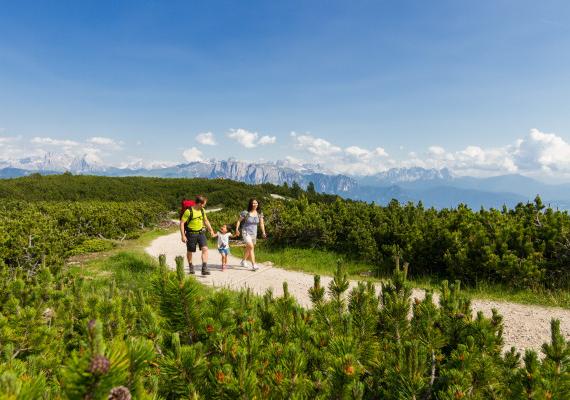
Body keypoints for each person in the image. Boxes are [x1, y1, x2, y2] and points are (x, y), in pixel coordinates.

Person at [180, 195, 215, 275]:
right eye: (204, 204)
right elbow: (182, 223)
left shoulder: (202, 210)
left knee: (205, 248)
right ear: (199, 203)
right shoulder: (188, 211)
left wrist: (211, 230)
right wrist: (183, 235)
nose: (204, 205)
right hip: (191, 234)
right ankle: (191, 266)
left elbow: (206, 221)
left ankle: (204, 268)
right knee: (190, 251)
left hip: (201, 233)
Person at [235, 198, 267, 271]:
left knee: (249, 248)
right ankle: (254, 265)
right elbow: (239, 221)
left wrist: (263, 232)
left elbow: (262, 224)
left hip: (254, 233)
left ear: (258, 204)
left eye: (256, 203)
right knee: (251, 246)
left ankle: (243, 261)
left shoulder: (259, 213)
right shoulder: (246, 213)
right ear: (250, 204)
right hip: (245, 232)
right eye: (253, 203)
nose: (255, 204)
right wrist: (237, 229)